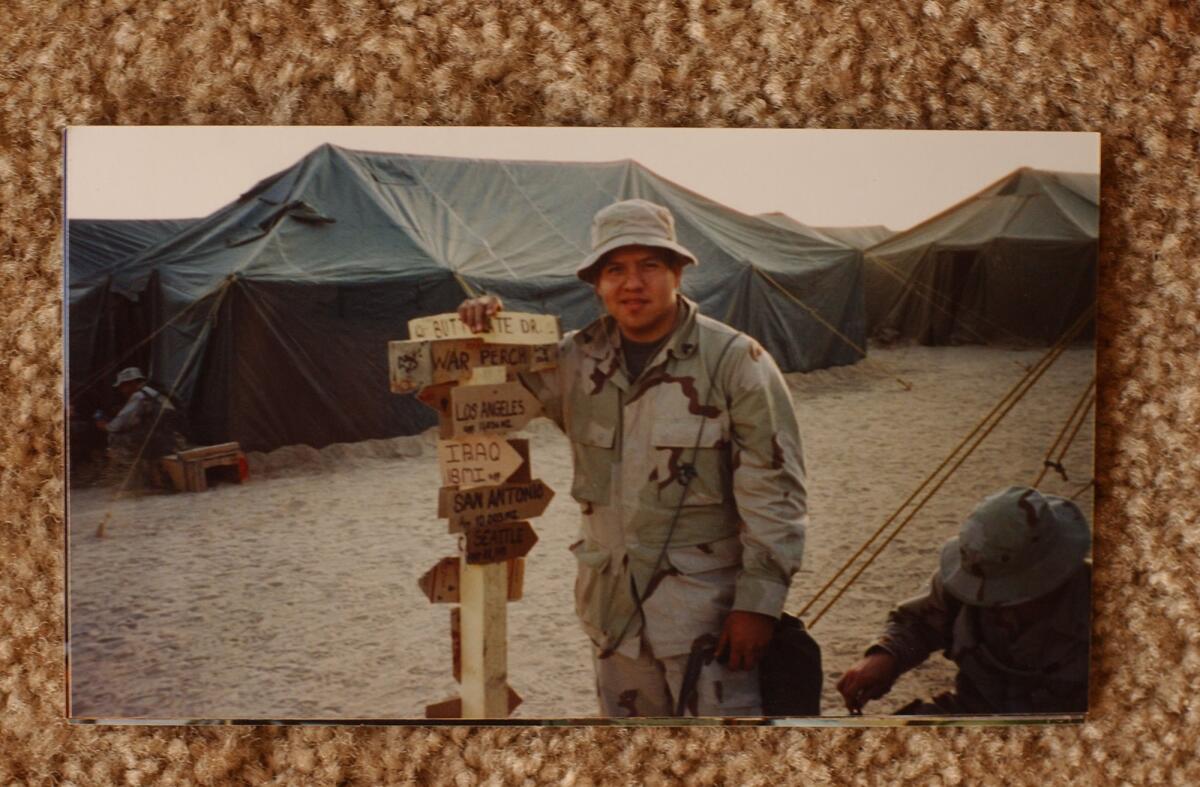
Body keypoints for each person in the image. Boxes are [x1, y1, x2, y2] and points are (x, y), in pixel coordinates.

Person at [458, 199, 808, 716]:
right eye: (615, 269)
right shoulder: (574, 359)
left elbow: (775, 493)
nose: (632, 283)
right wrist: (482, 336)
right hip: (612, 612)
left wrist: (758, 606)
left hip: (706, 617)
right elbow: (479, 411)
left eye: (650, 265)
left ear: (678, 273)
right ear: (597, 284)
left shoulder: (735, 361)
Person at [836, 485, 1091, 716]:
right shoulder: (968, 577)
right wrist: (885, 657)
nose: (996, 607)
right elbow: (917, 624)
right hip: (973, 715)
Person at [95, 367, 183, 487]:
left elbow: (117, 425)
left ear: (131, 383)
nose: (121, 390)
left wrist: (105, 426)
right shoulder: (154, 392)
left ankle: (130, 476)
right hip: (173, 437)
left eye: (122, 386)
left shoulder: (138, 396)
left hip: (159, 441)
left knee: (114, 437)